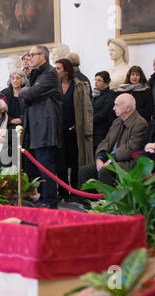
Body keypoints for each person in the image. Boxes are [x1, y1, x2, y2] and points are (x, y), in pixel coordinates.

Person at [20, 45, 63, 209]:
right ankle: (44, 198)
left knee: (47, 167)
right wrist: (27, 92)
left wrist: (27, 92)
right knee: (38, 168)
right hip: (36, 129)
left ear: (42, 56)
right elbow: (25, 98)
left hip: (46, 129)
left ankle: (50, 201)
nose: (29, 58)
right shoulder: (36, 75)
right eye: (28, 55)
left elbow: (28, 94)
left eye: (32, 55)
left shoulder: (50, 73)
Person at [78, 94, 148, 187]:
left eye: (117, 105)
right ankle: (86, 200)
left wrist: (111, 160)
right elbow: (106, 141)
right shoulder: (117, 121)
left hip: (125, 162)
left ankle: (106, 201)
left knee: (104, 172)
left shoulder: (140, 123)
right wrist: (100, 158)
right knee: (84, 171)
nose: (114, 108)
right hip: (110, 159)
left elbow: (131, 148)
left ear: (127, 108)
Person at [54, 58, 94, 202]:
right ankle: (63, 192)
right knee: (61, 163)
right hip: (58, 131)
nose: (56, 71)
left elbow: (86, 108)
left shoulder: (79, 86)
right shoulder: (54, 86)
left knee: (76, 161)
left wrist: (84, 127)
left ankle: (76, 191)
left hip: (74, 130)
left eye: (58, 68)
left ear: (66, 70)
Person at [92, 71, 117, 153]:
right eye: (95, 80)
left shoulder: (110, 95)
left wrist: (90, 119)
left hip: (103, 131)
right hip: (94, 130)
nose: (96, 82)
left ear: (106, 82)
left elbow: (104, 113)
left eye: (99, 80)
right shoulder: (95, 94)